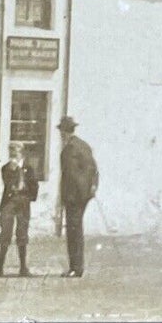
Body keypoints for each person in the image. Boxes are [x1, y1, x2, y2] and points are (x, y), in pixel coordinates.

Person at [0, 141, 38, 278]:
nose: (13, 156)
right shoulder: (6, 168)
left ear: (22, 153)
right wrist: (14, 170)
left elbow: (34, 186)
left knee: (22, 233)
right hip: (9, 202)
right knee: (5, 232)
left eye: (16, 153)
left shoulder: (29, 168)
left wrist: (28, 198)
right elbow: (8, 184)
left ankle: (23, 268)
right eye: (11, 153)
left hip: (23, 203)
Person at [57, 115, 99, 278]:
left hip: (74, 196)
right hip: (81, 195)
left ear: (64, 132)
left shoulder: (71, 149)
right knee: (76, 229)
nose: (61, 135)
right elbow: (93, 170)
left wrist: (67, 197)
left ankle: (76, 268)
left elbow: (69, 175)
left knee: (73, 231)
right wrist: (91, 189)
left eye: (61, 131)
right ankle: (76, 266)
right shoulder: (83, 145)